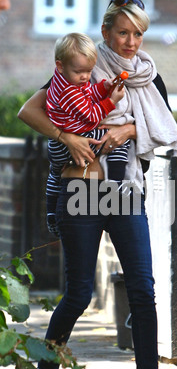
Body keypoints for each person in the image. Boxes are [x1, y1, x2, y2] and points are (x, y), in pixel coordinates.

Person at [18, 0, 177, 369]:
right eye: (123, 33)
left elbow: (162, 126)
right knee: (78, 293)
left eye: (138, 34)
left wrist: (128, 126)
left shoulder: (149, 75)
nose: (131, 42)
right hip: (82, 188)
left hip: (124, 189)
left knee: (143, 291)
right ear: (107, 32)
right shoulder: (83, 66)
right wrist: (66, 137)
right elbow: (30, 111)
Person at [45, 32, 128, 236]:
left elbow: (88, 93)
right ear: (60, 65)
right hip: (75, 140)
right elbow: (91, 116)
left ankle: (50, 212)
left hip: (56, 146)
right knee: (116, 139)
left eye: (89, 71)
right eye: (80, 71)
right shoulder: (69, 92)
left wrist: (102, 87)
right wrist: (112, 100)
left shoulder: (63, 81)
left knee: (55, 175)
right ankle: (115, 188)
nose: (85, 77)